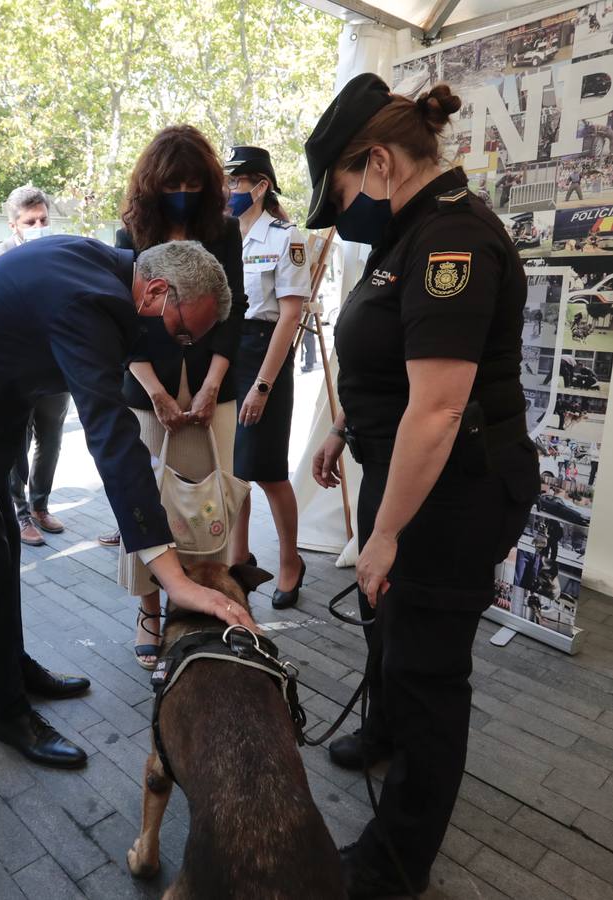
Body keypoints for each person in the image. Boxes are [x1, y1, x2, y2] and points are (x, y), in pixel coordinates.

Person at [0, 236, 257, 768]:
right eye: (180, 332)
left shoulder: (107, 272)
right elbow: (111, 436)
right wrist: (174, 580)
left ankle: (13, 666)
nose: (181, 347)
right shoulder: (89, 300)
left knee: (3, 545)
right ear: (154, 292)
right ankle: (7, 712)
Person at [306, 74, 539, 897]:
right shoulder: (405, 233)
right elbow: (394, 369)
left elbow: (438, 410)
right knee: (386, 627)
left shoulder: (449, 241)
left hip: (454, 491)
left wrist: (383, 535)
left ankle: (397, 858)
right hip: (407, 474)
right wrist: (344, 427)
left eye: (338, 196)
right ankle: (382, 732)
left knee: (427, 672)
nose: (339, 219)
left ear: (376, 163)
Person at [113, 125, 247, 669]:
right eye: (175, 183)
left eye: (195, 183)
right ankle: (150, 611)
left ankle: (197, 605)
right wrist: (158, 393)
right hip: (149, 389)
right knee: (147, 499)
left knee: (209, 500)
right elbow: (124, 327)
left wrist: (213, 384)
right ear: (153, 185)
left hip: (215, 384)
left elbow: (231, 318)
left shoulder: (226, 231)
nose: (184, 193)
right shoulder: (130, 237)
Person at [225, 145, 310, 609]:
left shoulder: (285, 237)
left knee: (269, 471)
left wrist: (262, 385)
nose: (228, 190)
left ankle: (290, 561)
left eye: (236, 182)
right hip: (228, 352)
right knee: (235, 470)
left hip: (265, 355)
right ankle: (239, 558)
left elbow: (289, 316)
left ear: (260, 187)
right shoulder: (221, 235)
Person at [0, 186, 69, 546]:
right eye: (31, 221)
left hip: (56, 367)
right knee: (17, 444)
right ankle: (20, 511)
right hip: (16, 371)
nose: (39, 225)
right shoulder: (1, 258)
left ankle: (41, 504)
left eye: (43, 219)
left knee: (52, 441)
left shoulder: (59, 254)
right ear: (14, 226)